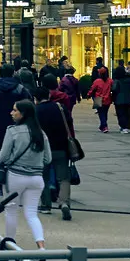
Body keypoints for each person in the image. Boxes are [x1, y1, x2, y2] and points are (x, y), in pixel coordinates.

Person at [0, 100, 52, 252]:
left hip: (15, 176)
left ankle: (10, 246)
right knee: (31, 213)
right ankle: (41, 246)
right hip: (36, 178)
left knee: (11, 211)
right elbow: (48, 159)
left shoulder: (13, 131)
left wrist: (12, 160)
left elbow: (3, 156)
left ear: (23, 114)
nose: (12, 113)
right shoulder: (41, 133)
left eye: (15, 110)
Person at [35, 85, 74, 220]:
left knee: (43, 177)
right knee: (63, 178)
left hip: (43, 149)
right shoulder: (60, 108)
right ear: (49, 95)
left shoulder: (36, 111)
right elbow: (69, 123)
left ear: (36, 98)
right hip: (61, 147)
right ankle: (64, 202)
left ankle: (46, 205)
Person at [0, 64, 32, 156]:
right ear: (13, 73)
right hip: (17, 122)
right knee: (16, 147)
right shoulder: (19, 88)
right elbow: (27, 106)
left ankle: (0, 167)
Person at [111, 63, 130, 134]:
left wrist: (113, 99)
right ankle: (125, 126)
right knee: (126, 113)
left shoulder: (117, 81)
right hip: (128, 99)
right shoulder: (129, 80)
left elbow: (114, 90)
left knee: (120, 113)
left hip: (119, 99)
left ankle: (122, 126)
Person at [87, 66, 111, 132]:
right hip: (107, 99)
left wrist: (88, 95)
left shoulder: (97, 81)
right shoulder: (110, 81)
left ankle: (104, 126)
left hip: (98, 98)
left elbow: (92, 89)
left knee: (101, 113)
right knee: (105, 113)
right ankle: (102, 126)